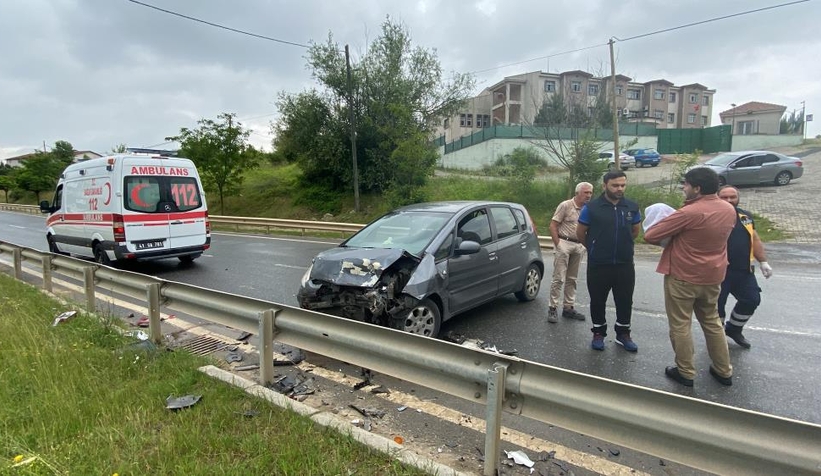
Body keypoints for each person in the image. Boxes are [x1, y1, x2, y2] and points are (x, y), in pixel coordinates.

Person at [644, 167, 737, 387]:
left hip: (683, 277)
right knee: (713, 322)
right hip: (713, 276)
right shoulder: (728, 209)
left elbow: (651, 235)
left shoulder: (689, 212)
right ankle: (723, 370)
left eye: (686, 184)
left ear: (697, 188)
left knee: (680, 325)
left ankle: (685, 371)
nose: (684, 188)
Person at [576, 171, 641, 352]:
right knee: (597, 300)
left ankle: (623, 334)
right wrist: (594, 248)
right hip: (599, 264)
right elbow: (580, 233)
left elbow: (635, 231)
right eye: (615, 185)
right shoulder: (592, 208)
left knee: (625, 300)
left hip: (624, 264)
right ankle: (598, 332)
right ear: (604, 186)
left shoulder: (632, 207)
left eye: (622, 185)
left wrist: (623, 246)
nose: (619, 188)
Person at [717, 185, 773, 349]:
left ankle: (734, 329)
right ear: (717, 198)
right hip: (718, 271)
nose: (729, 200)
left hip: (743, 270)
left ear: (738, 198)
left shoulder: (745, 216)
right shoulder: (712, 216)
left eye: (732, 197)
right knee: (717, 307)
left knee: (751, 299)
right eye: (724, 197)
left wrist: (763, 261)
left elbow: (754, 238)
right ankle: (717, 339)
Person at [547, 182, 593, 323]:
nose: (589, 195)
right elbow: (553, 225)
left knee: (572, 278)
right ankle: (552, 307)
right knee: (559, 278)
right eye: (586, 192)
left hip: (579, 245)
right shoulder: (566, 205)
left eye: (590, 193)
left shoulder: (589, 208)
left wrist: (585, 245)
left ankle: (568, 307)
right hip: (564, 242)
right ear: (577, 193)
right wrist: (558, 244)